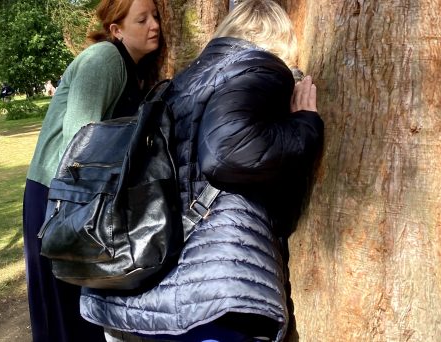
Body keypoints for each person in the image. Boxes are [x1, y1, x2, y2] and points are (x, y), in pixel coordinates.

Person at [79, 1, 324, 341]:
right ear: (278, 39)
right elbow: (226, 155)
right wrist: (305, 125)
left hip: (130, 293)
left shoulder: (180, 82)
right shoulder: (259, 67)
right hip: (211, 298)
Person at [22, 0, 162, 340]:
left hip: (78, 194)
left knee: (84, 307)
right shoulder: (105, 59)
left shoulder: (133, 66)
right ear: (116, 30)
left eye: (155, 16)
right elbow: (80, 138)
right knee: (64, 310)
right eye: (141, 19)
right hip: (58, 195)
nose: (154, 25)